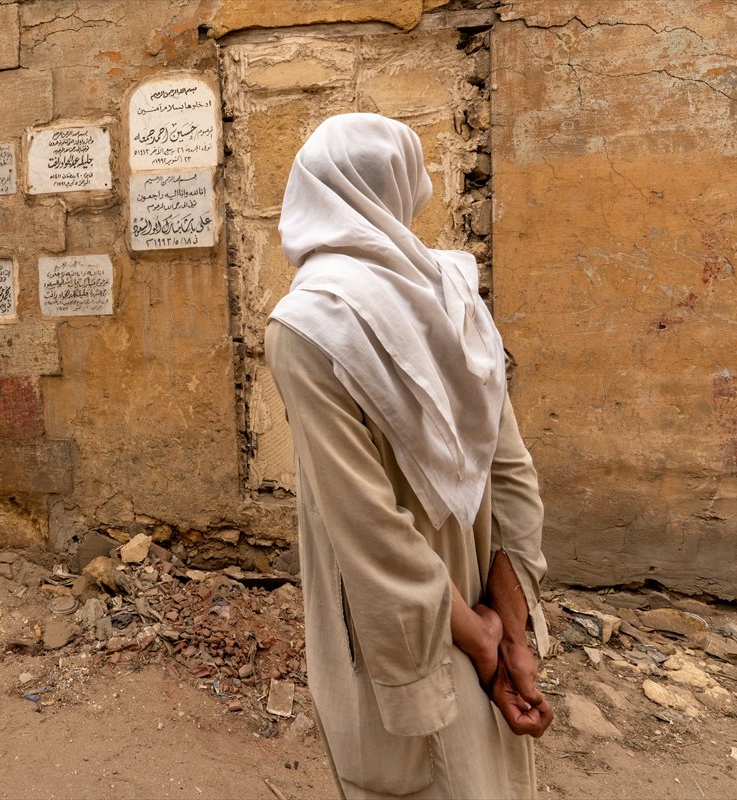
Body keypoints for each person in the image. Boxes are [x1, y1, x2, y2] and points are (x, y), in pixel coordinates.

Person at [265, 114, 553, 799]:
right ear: (403, 187)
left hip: (396, 625)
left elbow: (372, 531)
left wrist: (483, 646)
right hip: (481, 594)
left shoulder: (305, 327)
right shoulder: (452, 294)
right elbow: (511, 479)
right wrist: (511, 631)